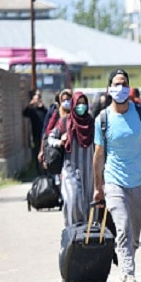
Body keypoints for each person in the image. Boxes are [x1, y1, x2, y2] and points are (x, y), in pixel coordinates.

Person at [93, 69, 141, 282]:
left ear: (129, 88)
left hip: (137, 182)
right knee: (122, 227)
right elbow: (98, 154)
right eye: (116, 84)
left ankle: (126, 260)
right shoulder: (103, 119)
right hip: (113, 181)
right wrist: (98, 187)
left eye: (123, 84)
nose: (120, 88)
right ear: (109, 88)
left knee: (134, 233)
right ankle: (128, 275)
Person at [48, 91, 95, 227]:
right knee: (73, 201)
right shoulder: (65, 122)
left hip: (89, 172)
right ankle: (72, 233)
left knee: (89, 204)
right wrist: (60, 141)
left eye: (83, 104)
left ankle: (88, 238)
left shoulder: (92, 123)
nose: (81, 106)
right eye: (78, 104)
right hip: (70, 170)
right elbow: (50, 139)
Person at [39, 88, 72, 168]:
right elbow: (47, 132)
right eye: (64, 100)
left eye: (68, 99)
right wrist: (42, 151)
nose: (66, 102)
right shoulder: (57, 113)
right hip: (59, 149)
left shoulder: (76, 115)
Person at [22, 89, 48, 174]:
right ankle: (39, 173)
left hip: (45, 136)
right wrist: (30, 104)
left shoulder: (44, 110)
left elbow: (48, 117)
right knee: (37, 155)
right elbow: (25, 113)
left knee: (46, 155)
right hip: (36, 136)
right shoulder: (33, 111)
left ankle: (46, 172)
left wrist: (42, 106)